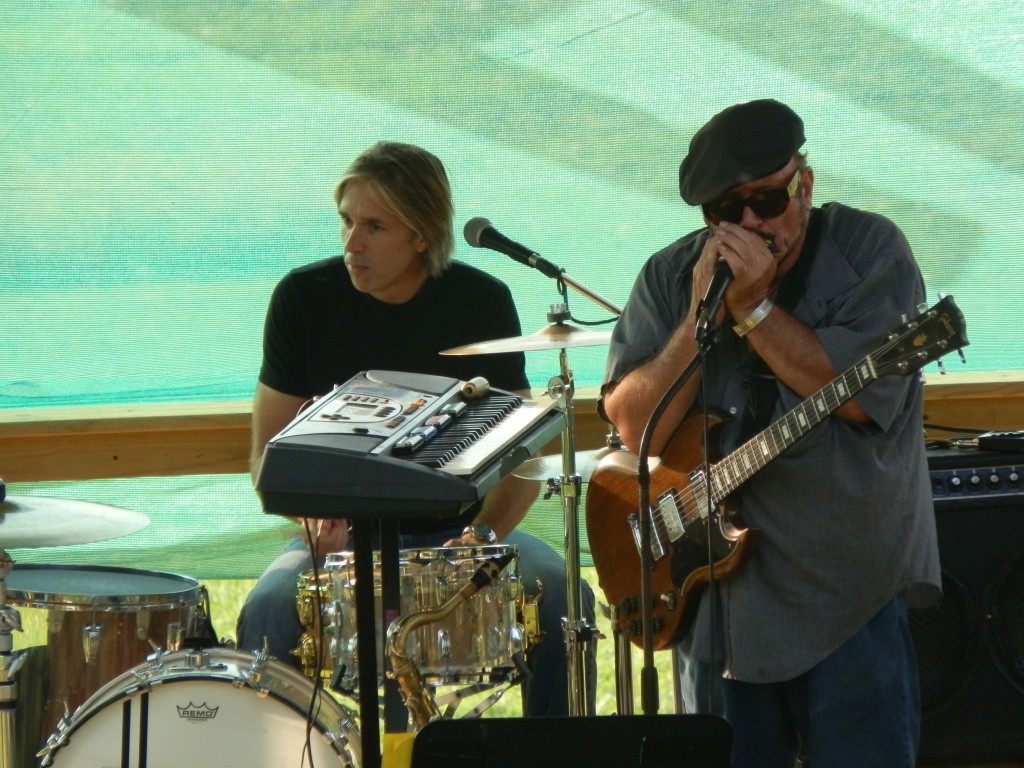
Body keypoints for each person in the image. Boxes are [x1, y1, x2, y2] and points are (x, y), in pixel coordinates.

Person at [597, 99, 940, 766]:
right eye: (728, 211)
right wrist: (701, 316)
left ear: (804, 187)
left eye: (768, 199)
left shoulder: (870, 252)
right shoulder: (671, 276)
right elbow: (636, 427)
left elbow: (862, 396)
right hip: (718, 611)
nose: (752, 222)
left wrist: (753, 309)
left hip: (846, 599)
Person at [236, 140, 596, 717]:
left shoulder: (479, 300)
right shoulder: (303, 299)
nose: (352, 243)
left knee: (559, 593)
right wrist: (308, 516)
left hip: (455, 532)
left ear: (422, 236)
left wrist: (483, 535)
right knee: (269, 609)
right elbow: (266, 459)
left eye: (374, 227)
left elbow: (523, 455)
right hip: (344, 542)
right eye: (346, 221)